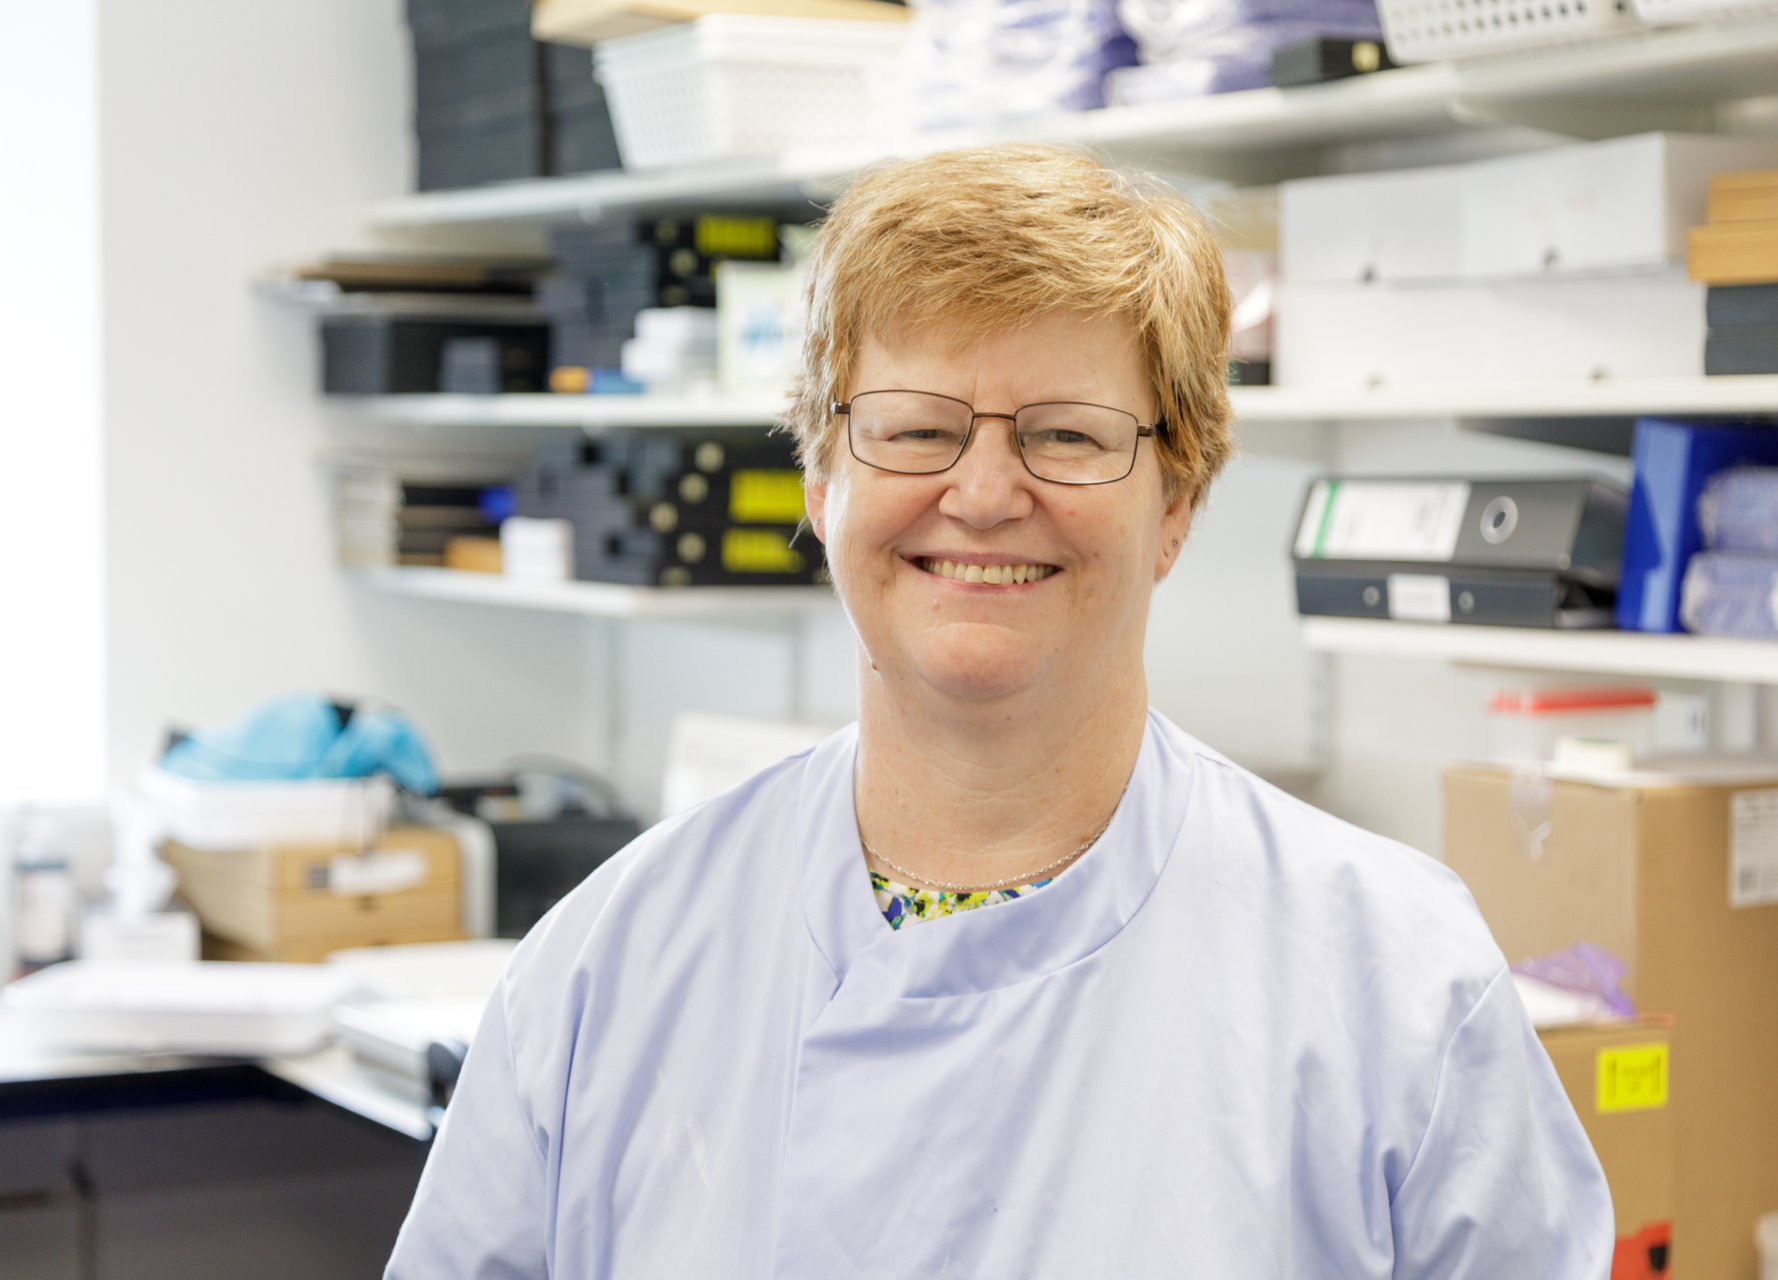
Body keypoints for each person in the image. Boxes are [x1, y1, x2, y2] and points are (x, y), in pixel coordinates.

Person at [387, 144, 1611, 1279]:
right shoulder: (611, 961)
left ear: (1175, 501)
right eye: (914, 428)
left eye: (1067, 436)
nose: (981, 493)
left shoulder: (1392, 981)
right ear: (823, 480)